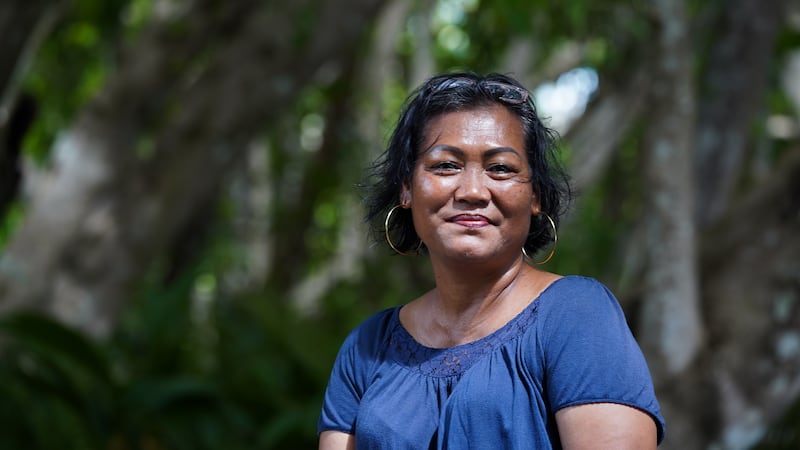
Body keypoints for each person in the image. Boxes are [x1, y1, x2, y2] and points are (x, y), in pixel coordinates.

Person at [317, 72, 665, 449]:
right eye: (446, 165)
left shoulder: (577, 316)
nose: (471, 191)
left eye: (500, 168)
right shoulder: (368, 347)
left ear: (535, 197)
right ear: (407, 188)